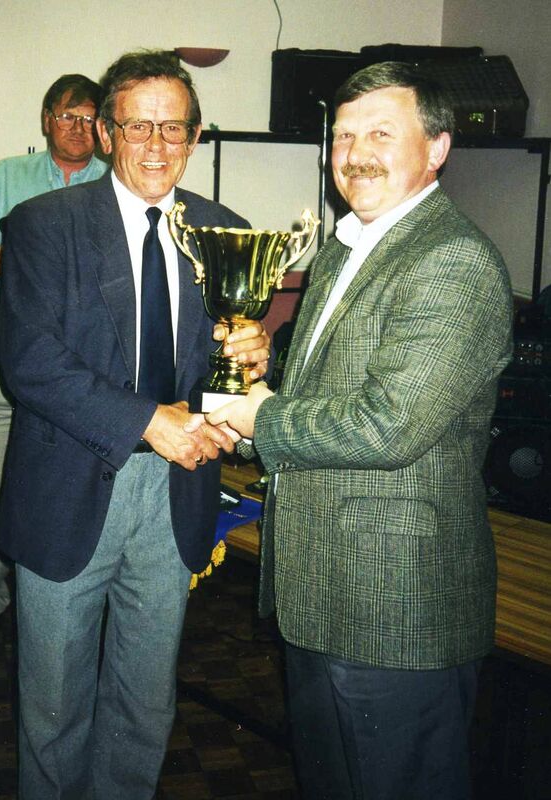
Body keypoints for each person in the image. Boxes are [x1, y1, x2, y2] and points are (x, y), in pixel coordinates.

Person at [208, 61, 514, 800]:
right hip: (320, 588)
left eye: (381, 132)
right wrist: (262, 382)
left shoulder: (451, 259)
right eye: (343, 136)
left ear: (436, 147)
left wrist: (260, 415)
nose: (354, 154)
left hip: (395, 603)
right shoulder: (347, 247)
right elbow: (326, 400)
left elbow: (388, 426)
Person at [0, 50, 269, 799]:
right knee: (54, 706)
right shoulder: (43, 225)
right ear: (107, 133)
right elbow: (30, 361)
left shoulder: (226, 231)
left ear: (195, 136)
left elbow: (227, 365)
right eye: (137, 126)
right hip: (70, 487)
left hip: (177, 493)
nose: (155, 144)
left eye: (172, 128)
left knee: (144, 703)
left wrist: (252, 356)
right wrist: (149, 421)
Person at [0, 74, 108, 649]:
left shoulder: (116, 183)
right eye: (67, 116)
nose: (78, 128)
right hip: (7, 351)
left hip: (86, 362)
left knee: (75, 482)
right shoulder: (6, 177)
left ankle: (72, 592)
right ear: (46, 120)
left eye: (89, 118)